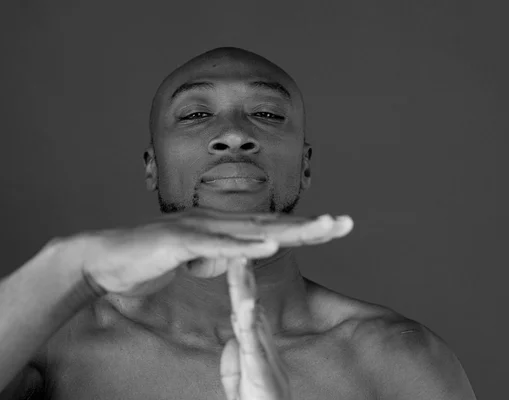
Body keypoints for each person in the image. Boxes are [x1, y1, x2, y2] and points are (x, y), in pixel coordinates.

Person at [0, 47, 477, 399]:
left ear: (306, 164)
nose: (232, 135)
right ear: (152, 166)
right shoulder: (51, 344)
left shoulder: (397, 359)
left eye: (267, 114)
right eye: (195, 114)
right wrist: (70, 266)